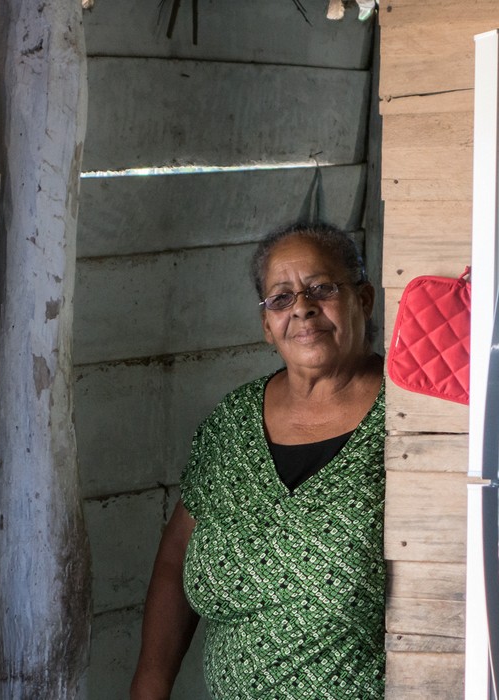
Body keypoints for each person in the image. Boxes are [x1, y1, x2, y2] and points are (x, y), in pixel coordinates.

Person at [130, 222, 386, 699]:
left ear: (364, 300)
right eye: (281, 299)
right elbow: (174, 558)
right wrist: (150, 684)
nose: (303, 308)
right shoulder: (233, 424)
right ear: (267, 326)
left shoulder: (406, 421)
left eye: (321, 289)